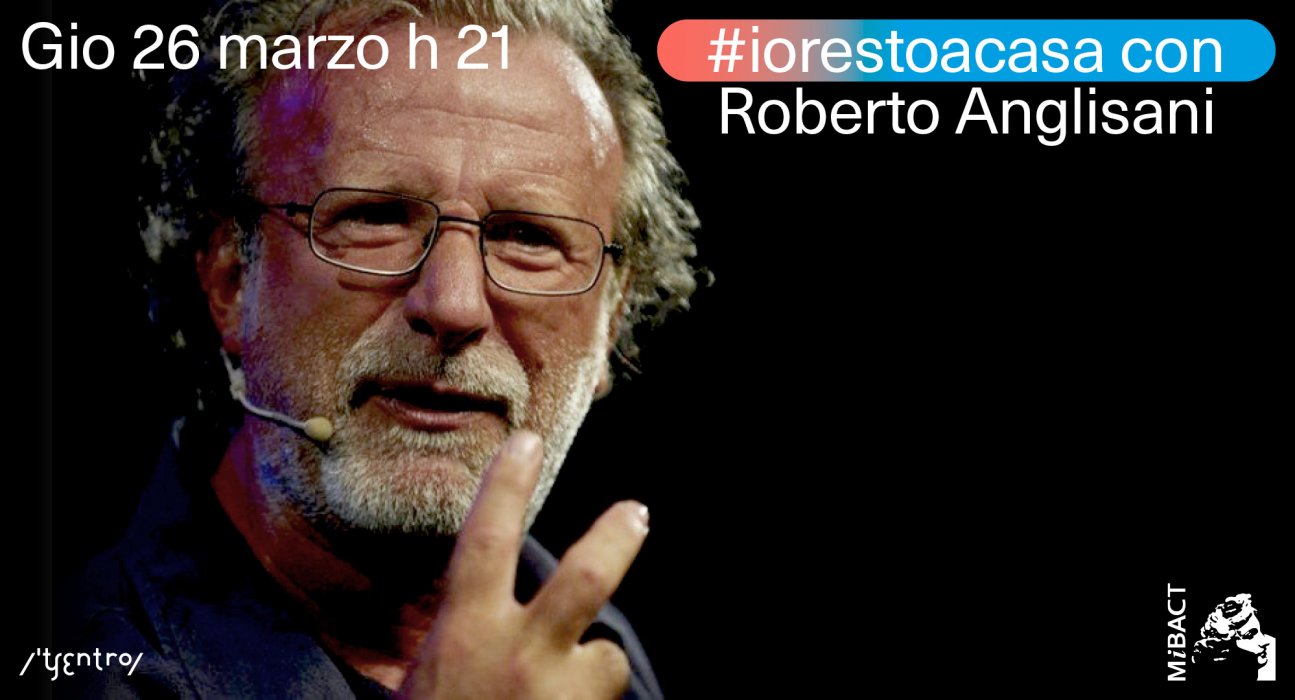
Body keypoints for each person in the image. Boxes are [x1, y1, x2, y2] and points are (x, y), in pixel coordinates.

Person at [59, 1, 699, 697]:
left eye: (527, 237)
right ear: (231, 277)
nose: (452, 305)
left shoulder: (601, 657)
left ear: (611, 317)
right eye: (375, 217)